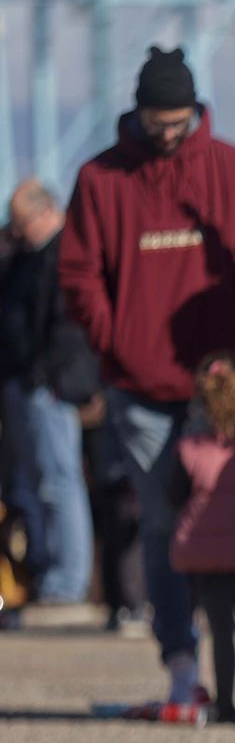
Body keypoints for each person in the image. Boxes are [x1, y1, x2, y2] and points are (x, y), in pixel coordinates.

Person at [57, 46, 235, 711]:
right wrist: (116, 341)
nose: (169, 135)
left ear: (196, 112)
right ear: (138, 113)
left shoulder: (229, 168)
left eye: (180, 123)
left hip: (223, 386)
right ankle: (182, 664)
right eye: (158, 123)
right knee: (161, 526)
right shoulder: (100, 178)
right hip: (140, 388)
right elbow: (79, 274)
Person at [0, 180, 98, 607]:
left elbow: (70, 329)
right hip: (22, 383)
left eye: (20, 224)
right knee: (33, 485)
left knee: (60, 482)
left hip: (50, 387)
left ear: (45, 213)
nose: (15, 231)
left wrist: (48, 378)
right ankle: (46, 574)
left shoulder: (66, 255)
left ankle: (68, 581)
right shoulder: (24, 257)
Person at [169, 352, 235, 722]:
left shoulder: (191, 450)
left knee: (221, 630)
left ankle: (227, 703)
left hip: (210, 558)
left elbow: (173, 496)